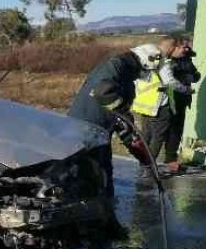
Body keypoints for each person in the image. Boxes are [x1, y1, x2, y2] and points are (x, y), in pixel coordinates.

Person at [68, 43, 161, 196]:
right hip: (86, 129)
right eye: (145, 70)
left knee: (101, 175)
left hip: (99, 131)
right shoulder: (116, 66)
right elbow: (103, 92)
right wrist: (124, 114)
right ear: (144, 60)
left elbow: (120, 117)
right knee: (90, 174)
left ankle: (102, 209)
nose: (143, 75)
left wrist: (139, 149)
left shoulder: (125, 74)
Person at [131, 36, 190, 176]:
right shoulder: (162, 61)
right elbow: (170, 82)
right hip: (159, 104)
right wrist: (186, 89)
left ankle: (143, 164)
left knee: (146, 135)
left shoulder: (148, 59)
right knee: (158, 136)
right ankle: (149, 168)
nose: (185, 51)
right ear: (172, 47)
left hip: (144, 104)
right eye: (182, 48)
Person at [164, 39, 201, 172]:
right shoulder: (167, 60)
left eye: (187, 47)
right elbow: (168, 79)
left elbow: (196, 75)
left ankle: (171, 159)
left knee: (177, 129)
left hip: (183, 98)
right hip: (170, 97)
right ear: (175, 47)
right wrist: (186, 78)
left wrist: (191, 77)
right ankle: (153, 161)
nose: (186, 49)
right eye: (184, 47)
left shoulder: (187, 59)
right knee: (166, 129)